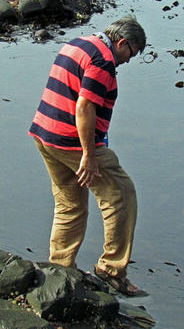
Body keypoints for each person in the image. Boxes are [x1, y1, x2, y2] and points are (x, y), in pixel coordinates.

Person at [29, 15, 147, 296]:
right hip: (72, 143)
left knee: (70, 204)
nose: (129, 61)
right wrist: (89, 155)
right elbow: (84, 108)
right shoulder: (104, 61)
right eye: (131, 53)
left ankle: (60, 268)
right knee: (121, 195)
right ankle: (112, 271)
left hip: (45, 135)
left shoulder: (78, 44)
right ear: (121, 42)